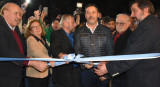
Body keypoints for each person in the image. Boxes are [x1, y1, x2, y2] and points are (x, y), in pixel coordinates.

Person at [95, 0, 160, 87]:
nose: (132, 15)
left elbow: (133, 54)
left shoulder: (147, 27)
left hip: (144, 79)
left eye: (134, 11)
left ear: (146, 9)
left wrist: (108, 68)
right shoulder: (152, 24)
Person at [0, 3, 48, 87]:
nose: (19, 17)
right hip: (5, 77)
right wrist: (30, 62)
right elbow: (5, 51)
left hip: (18, 76)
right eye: (16, 13)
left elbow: (21, 49)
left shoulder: (15, 28)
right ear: (5, 12)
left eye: (20, 14)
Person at [74, 4, 114, 87]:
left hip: (102, 70)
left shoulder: (106, 30)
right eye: (88, 13)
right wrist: (84, 63)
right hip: (85, 72)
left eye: (93, 12)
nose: (91, 15)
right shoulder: (79, 31)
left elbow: (110, 51)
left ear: (98, 15)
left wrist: (107, 72)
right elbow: (77, 50)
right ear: (85, 15)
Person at [50, 14, 81, 87]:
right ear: (66, 23)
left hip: (76, 73)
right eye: (73, 22)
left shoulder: (74, 35)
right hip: (63, 75)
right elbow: (54, 48)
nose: (75, 24)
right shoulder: (56, 34)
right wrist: (60, 55)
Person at [24, 19, 55, 87]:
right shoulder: (30, 38)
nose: (37, 28)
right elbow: (36, 52)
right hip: (35, 74)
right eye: (34, 27)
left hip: (46, 72)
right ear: (30, 31)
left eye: (38, 26)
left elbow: (49, 52)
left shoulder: (44, 39)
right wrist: (50, 59)